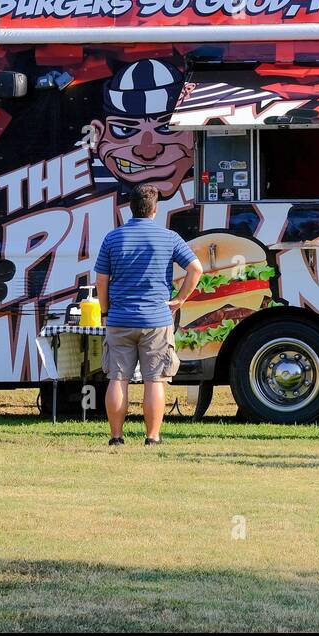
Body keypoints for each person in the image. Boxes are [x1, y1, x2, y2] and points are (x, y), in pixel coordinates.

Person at [94, 182, 203, 446]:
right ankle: (152, 437)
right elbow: (196, 269)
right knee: (155, 380)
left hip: (120, 318)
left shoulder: (113, 238)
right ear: (155, 209)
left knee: (117, 378)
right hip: (156, 320)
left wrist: (106, 311)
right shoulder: (170, 237)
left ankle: (116, 437)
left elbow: (101, 280)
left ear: (130, 208)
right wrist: (179, 300)